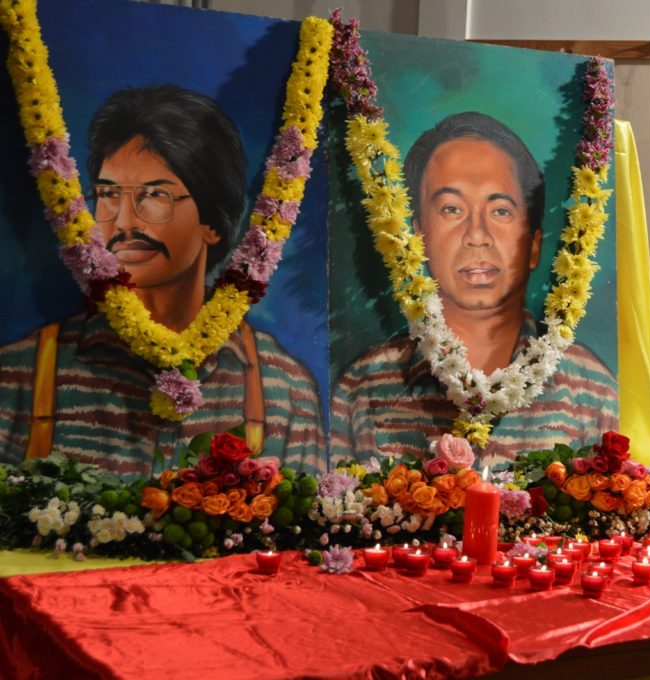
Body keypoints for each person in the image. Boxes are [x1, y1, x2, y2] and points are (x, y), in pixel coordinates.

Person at [0, 85, 325, 477]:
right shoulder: (21, 375)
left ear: (212, 221)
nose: (123, 222)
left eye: (154, 196)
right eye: (108, 195)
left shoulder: (284, 388)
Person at [331, 112, 618, 465]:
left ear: (533, 245)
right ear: (418, 237)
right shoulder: (363, 386)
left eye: (500, 211)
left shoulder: (591, 390)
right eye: (452, 209)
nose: (477, 235)